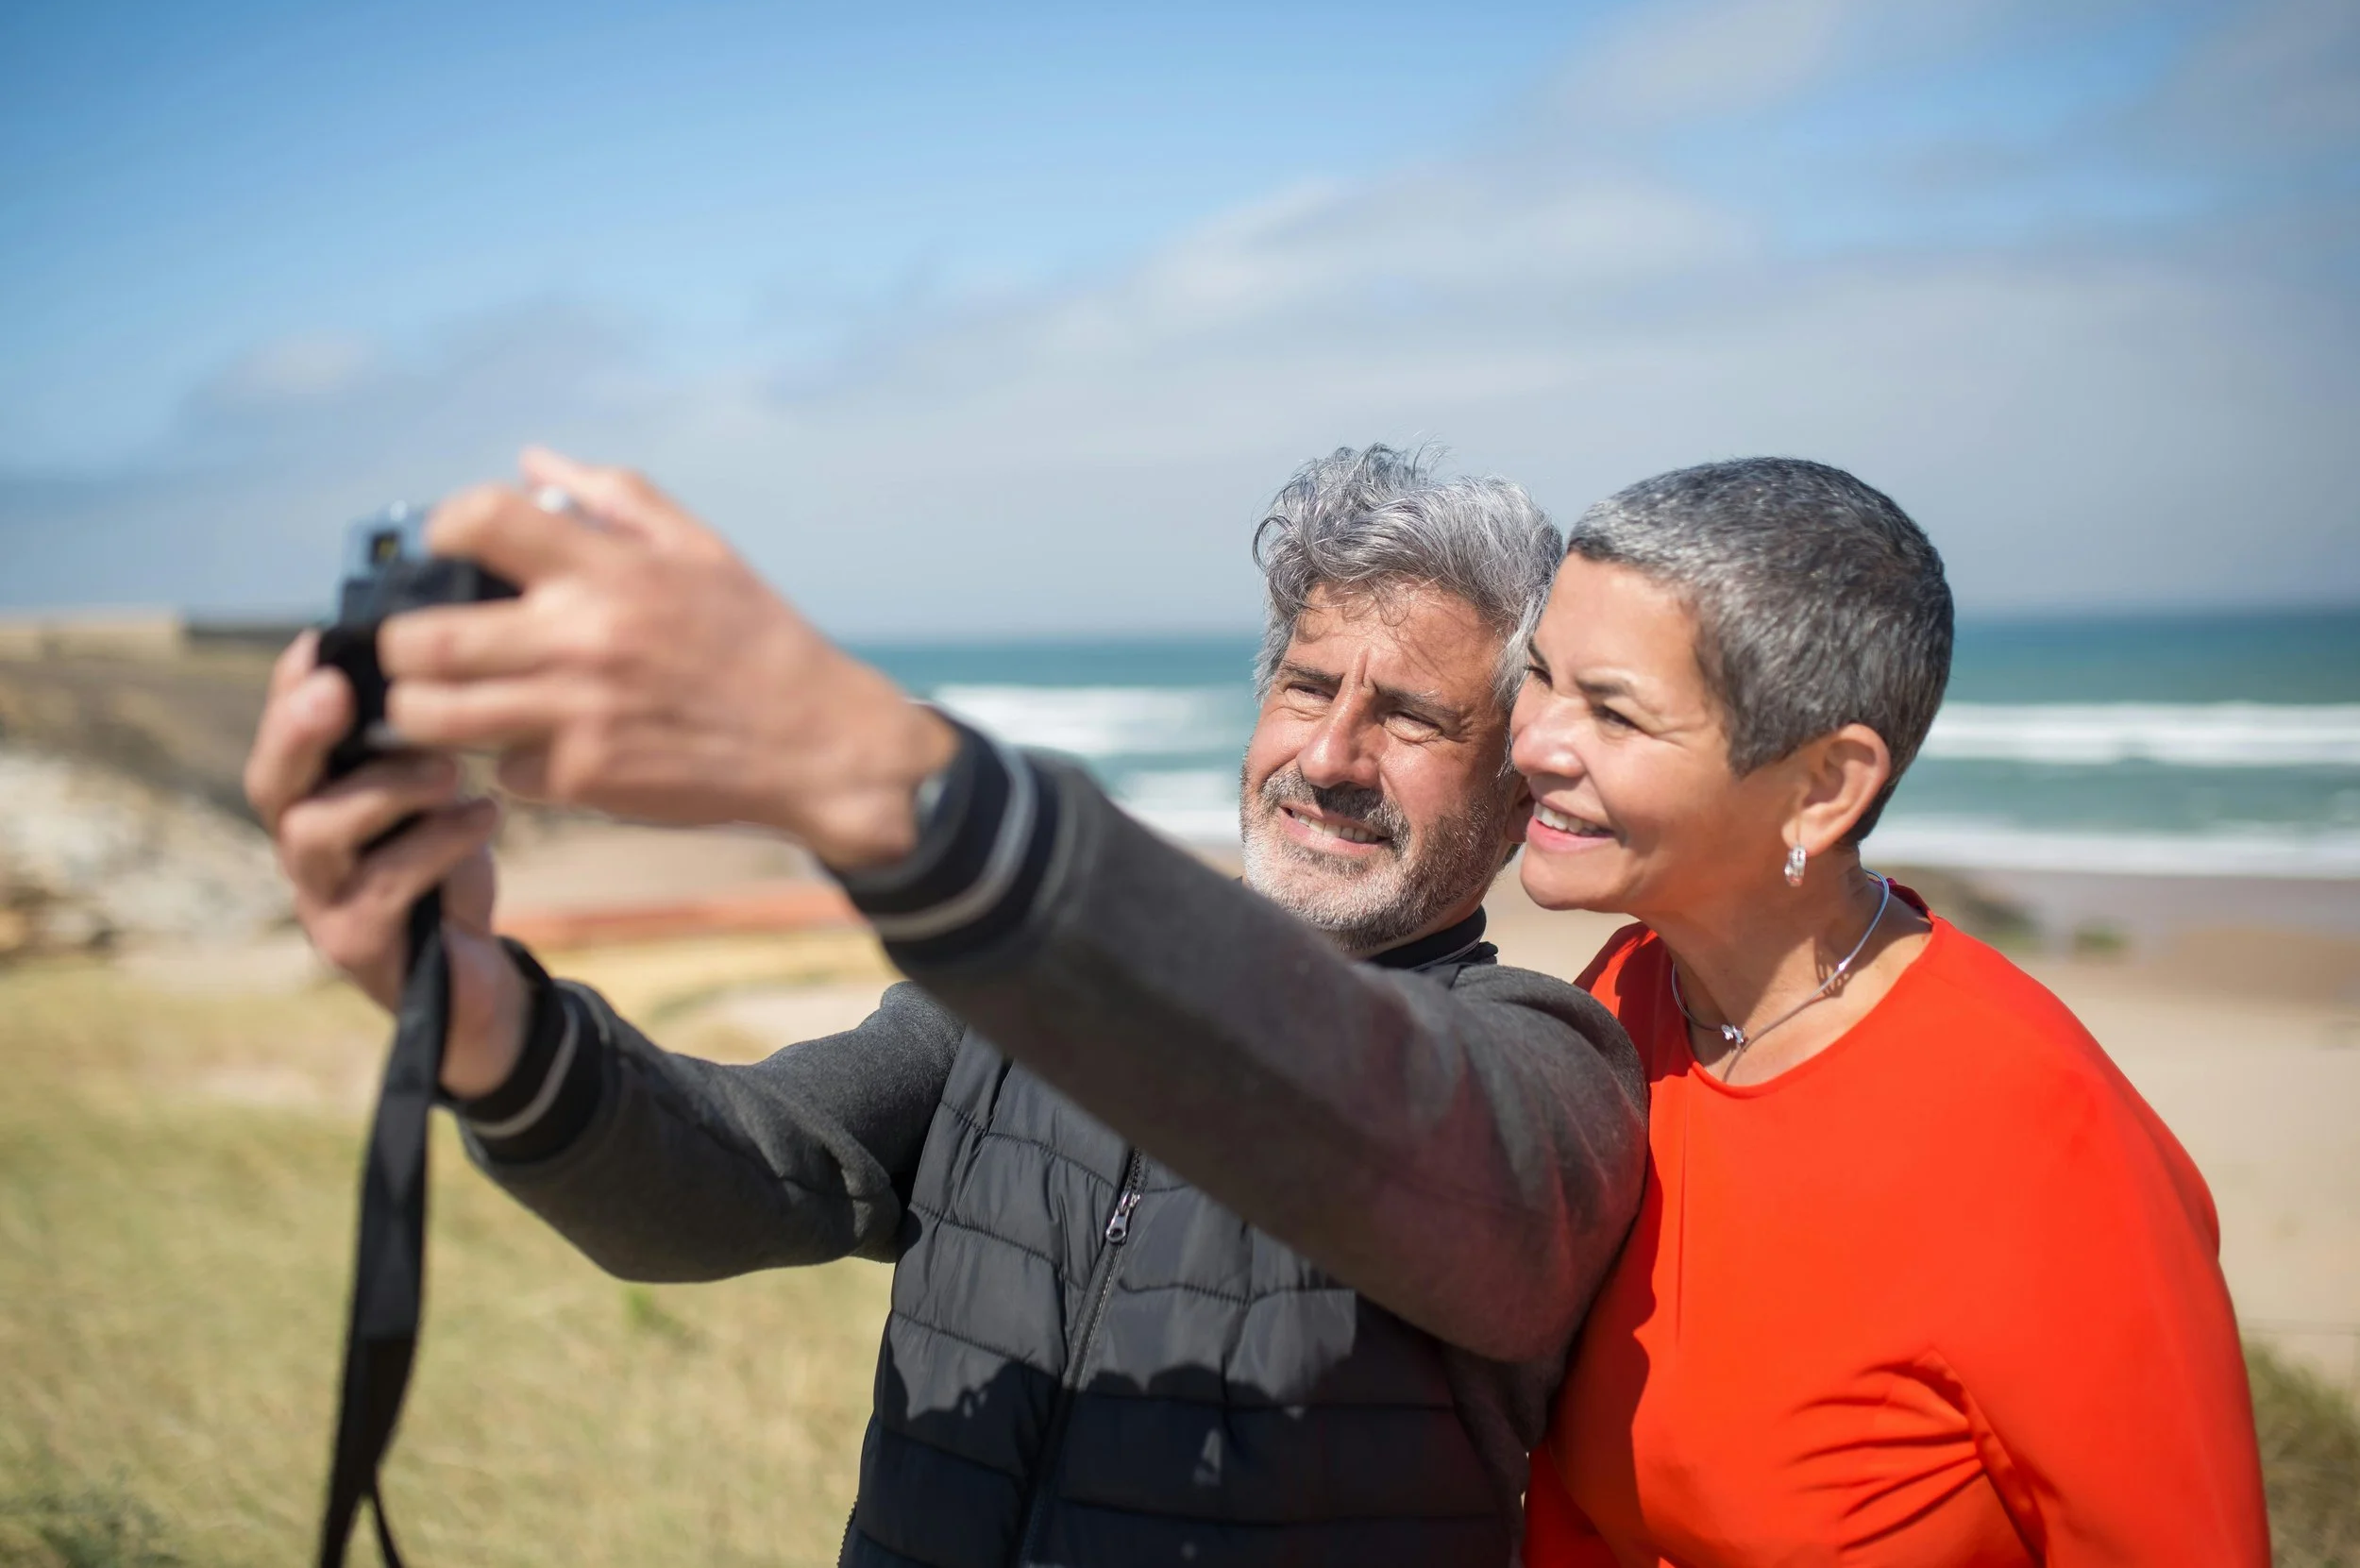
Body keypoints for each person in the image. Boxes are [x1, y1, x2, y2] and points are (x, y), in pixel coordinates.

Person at [244, 445, 1647, 1567]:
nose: (1330, 755)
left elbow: (1370, 1109)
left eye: (1410, 716)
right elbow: (737, 1172)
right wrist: (486, 1015)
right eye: (1303, 686)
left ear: (1518, 786)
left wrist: (854, 765)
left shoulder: (1547, 1071)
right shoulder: (1007, 1021)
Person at [1509, 458, 2269, 1565]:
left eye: (1613, 711)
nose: (1533, 740)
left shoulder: (2044, 1138)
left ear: (1825, 787)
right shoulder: (1622, 994)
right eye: (1541, 674)